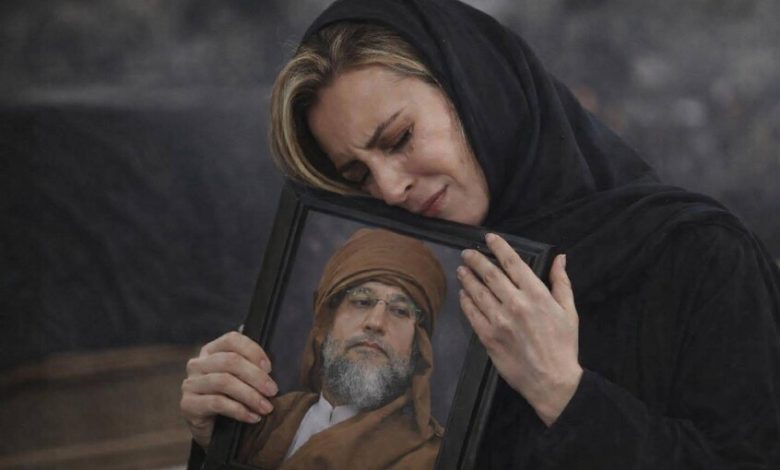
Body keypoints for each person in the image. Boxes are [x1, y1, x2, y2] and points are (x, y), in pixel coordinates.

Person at [182, 0, 780, 468]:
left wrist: (564, 393)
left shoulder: (699, 256)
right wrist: (232, 437)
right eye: (358, 175)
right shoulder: (423, 291)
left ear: (475, 90)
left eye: (399, 138)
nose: (389, 188)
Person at [184, 228, 447, 469]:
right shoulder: (261, 423)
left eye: (400, 311)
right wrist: (213, 445)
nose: (376, 323)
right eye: (361, 301)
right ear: (325, 323)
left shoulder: (436, 459)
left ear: (418, 346)